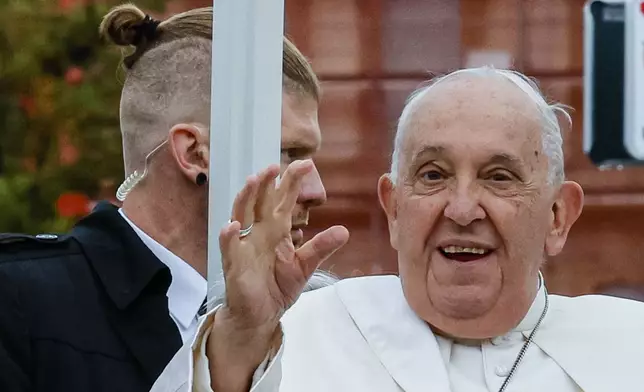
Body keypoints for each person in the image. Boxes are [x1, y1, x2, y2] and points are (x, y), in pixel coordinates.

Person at [152, 67, 644, 392]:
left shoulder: (630, 347)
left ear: (558, 217)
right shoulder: (301, 333)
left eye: (500, 177)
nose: (462, 208)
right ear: (392, 209)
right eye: (433, 175)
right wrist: (242, 337)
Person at [0, 4, 340, 392]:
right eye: (289, 154)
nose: (317, 191)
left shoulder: (312, 323)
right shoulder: (20, 303)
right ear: (195, 153)